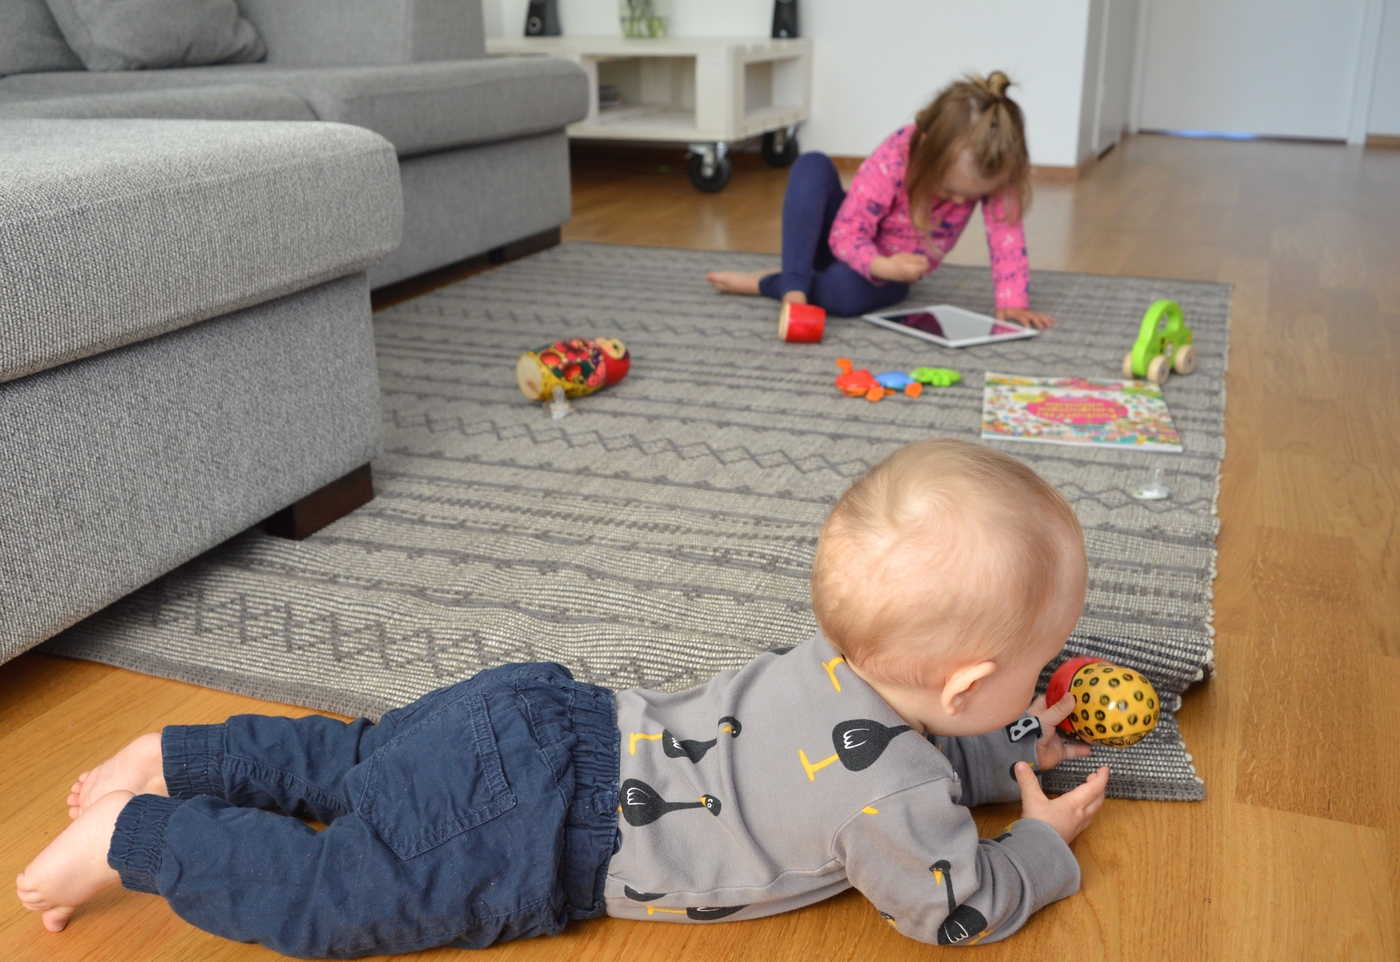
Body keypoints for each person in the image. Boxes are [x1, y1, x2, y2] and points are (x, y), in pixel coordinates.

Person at [17, 439, 1108, 954]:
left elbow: (890, 734)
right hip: (541, 832)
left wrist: (1004, 748)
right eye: (1036, 665)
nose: (1046, 677)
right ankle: (135, 834)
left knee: (354, 760)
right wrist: (1039, 842)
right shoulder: (894, 806)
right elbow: (952, 906)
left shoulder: (829, 654)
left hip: (548, 717)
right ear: (966, 683)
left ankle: (179, 754)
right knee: (332, 891)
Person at [707, 72, 1057, 329]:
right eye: (949, 189)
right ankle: (792, 288)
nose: (957, 201)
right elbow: (845, 233)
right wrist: (878, 262)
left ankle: (778, 279)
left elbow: (1006, 235)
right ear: (925, 147)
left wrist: (1013, 301)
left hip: (889, 274)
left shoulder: (995, 170)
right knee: (811, 165)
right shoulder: (895, 156)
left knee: (843, 296)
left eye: (970, 197)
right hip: (843, 240)